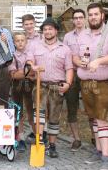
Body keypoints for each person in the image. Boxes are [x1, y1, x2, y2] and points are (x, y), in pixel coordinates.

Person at [74, 2, 108, 170]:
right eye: (91, 14)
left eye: (96, 14)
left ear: (102, 16)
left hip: (105, 83)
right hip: (86, 83)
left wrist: (99, 61)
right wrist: (80, 62)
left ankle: (106, 158)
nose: (93, 17)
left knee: (103, 119)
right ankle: (99, 150)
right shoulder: (83, 35)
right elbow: (75, 56)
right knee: (94, 118)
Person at [27, 18, 74, 158]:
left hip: (57, 87)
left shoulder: (65, 49)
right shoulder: (35, 46)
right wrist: (32, 66)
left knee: (54, 117)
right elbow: (29, 61)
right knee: (39, 115)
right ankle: (40, 142)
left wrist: (68, 84)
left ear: (56, 30)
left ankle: (52, 145)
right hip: (40, 85)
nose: (47, 31)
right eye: (45, 29)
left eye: (50, 29)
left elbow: (69, 68)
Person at [63, 9, 88, 151]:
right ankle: (76, 138)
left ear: (84, 19)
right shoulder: (67, 37)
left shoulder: (91, 34)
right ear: (73, 20)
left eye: (81, 17)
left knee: (90, 107)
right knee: (72, 107)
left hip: (88, 73)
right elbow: (66, 56)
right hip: (72, 74)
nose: (78, 20)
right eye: (76, 18)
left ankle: (95, 137)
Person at [8, 32, 35, 152]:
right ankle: (21, 138)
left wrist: (24, 72)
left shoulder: (30, 54)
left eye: (22, 40)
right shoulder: (12, 56)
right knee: (18, 113)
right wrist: (28, 74)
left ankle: (38, 137)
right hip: (17, 87)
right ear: (14, 43)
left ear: (26, 42)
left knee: (31, 112)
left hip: (30, 87)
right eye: (17, 41)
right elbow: (13, 74)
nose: (20, 43)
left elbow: (31, 69)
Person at [20, 13, 41, 142]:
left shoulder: (41, 38)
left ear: (34, 23)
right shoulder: (21, 39)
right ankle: (31, 132)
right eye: (26, 24)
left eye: (31, 24)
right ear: (23, 26)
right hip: (25, 77)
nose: (29, 26)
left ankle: (41, 132)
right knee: (28, 106)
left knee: (39, 107)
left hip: (38, 76)